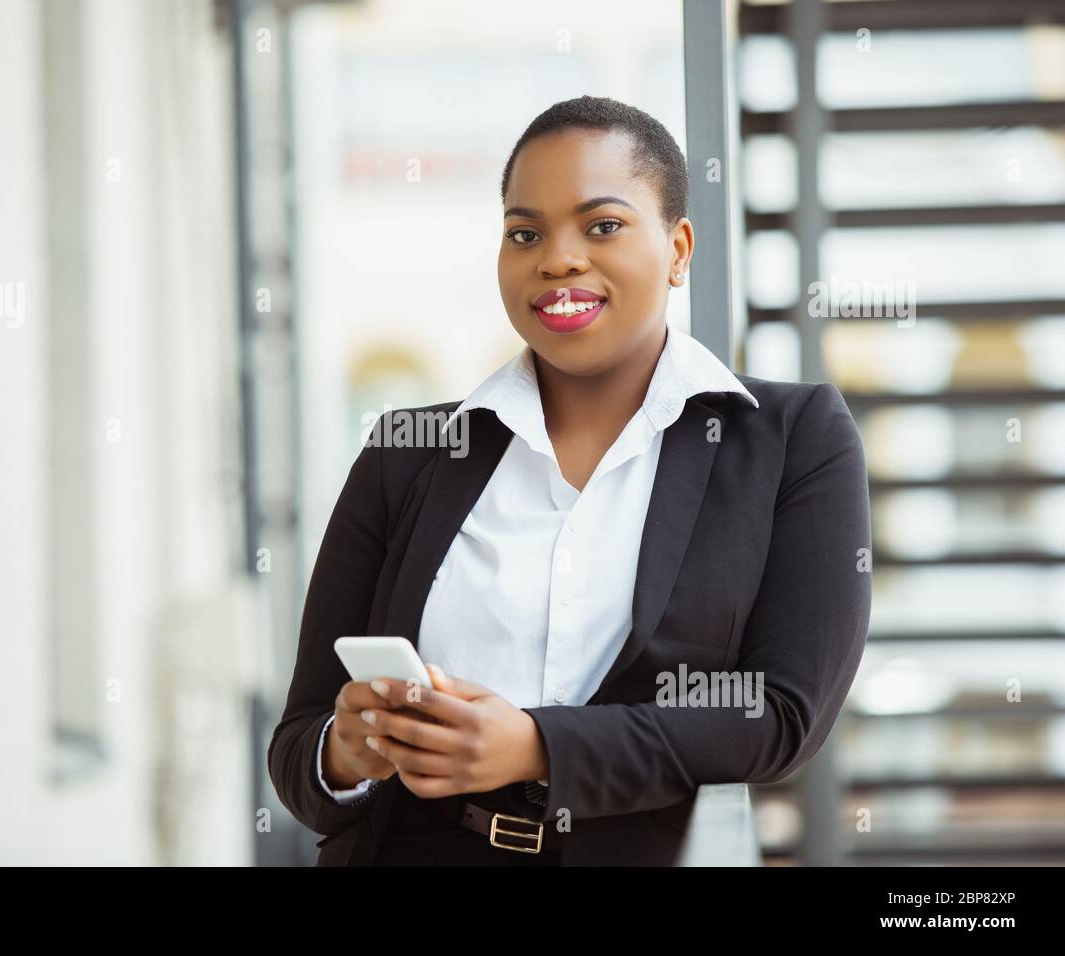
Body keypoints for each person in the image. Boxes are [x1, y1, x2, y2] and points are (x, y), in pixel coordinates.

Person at [267, 94, 872, 865]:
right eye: (525, 232)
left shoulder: (790, 439)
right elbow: (298, 748)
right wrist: (349, 749)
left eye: (603, 225)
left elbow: (781, 714)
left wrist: (536, 746)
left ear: (679, 248)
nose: (557, 257)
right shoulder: (407, 452)